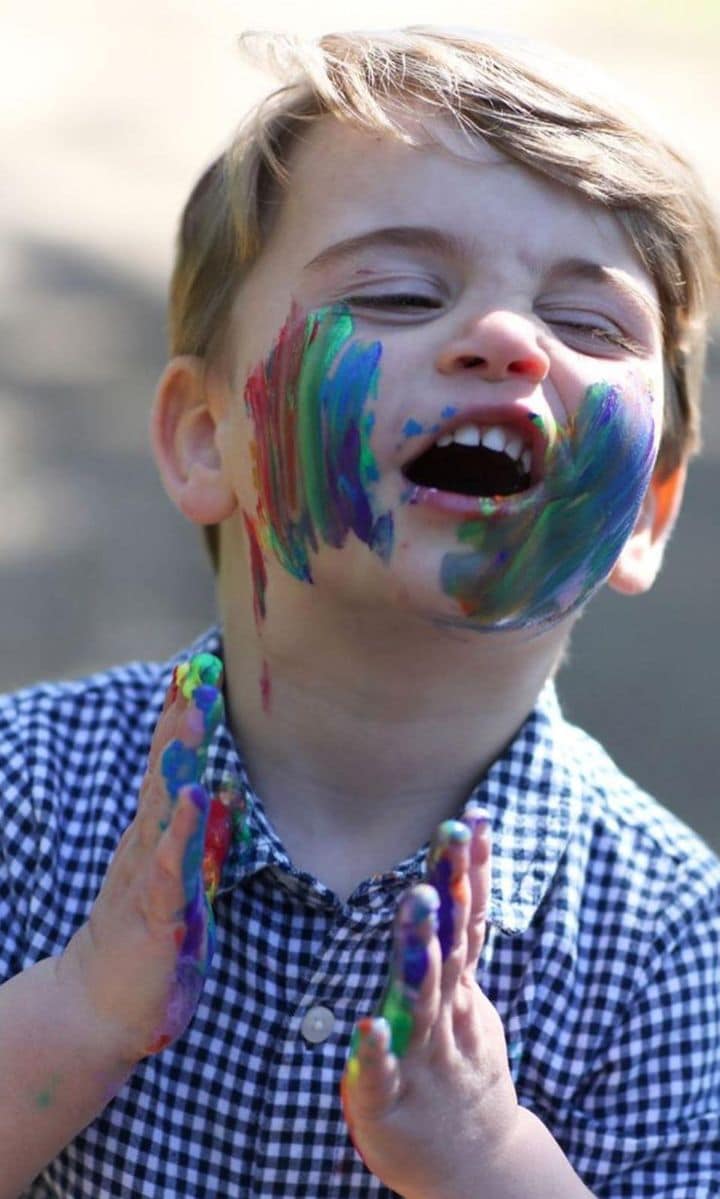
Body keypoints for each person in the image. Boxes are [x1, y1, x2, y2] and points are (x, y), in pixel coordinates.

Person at [1, 24, 719, 1198]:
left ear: (648, 506)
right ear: (202, 439)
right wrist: (77, 1011)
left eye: (588, 323)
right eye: (396, 294)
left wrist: (488, 1161)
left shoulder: (670, 941)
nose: (506, 342)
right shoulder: (26, 790)